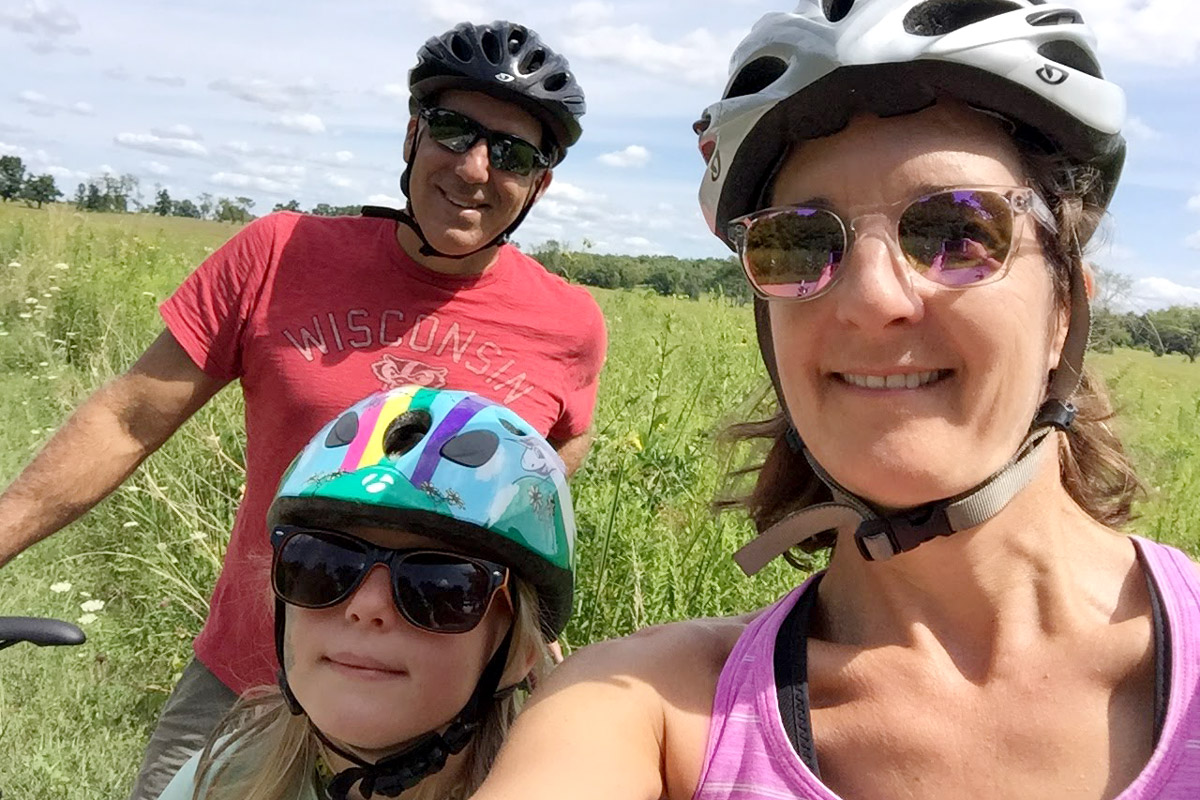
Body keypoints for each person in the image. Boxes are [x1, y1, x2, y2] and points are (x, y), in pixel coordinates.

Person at [470, 2, 1200, 798]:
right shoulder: (646, 708)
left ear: (1065, 310)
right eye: (801, 242)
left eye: (957, 231)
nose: (871, 300)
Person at [0, 19, 604, 800]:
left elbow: (554, 462)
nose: (476, 168)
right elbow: (128, 418)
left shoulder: (568, 323)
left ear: (539, 184)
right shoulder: (279, 255)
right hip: (246, 678)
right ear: (412, 136)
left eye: (514, 153)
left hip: (450, 717)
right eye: (453, 131)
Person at [158, 384, 577, 800]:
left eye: (437, 586)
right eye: (322, 565)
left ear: (518, 654)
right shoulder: (219, 782)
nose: (367, 605)